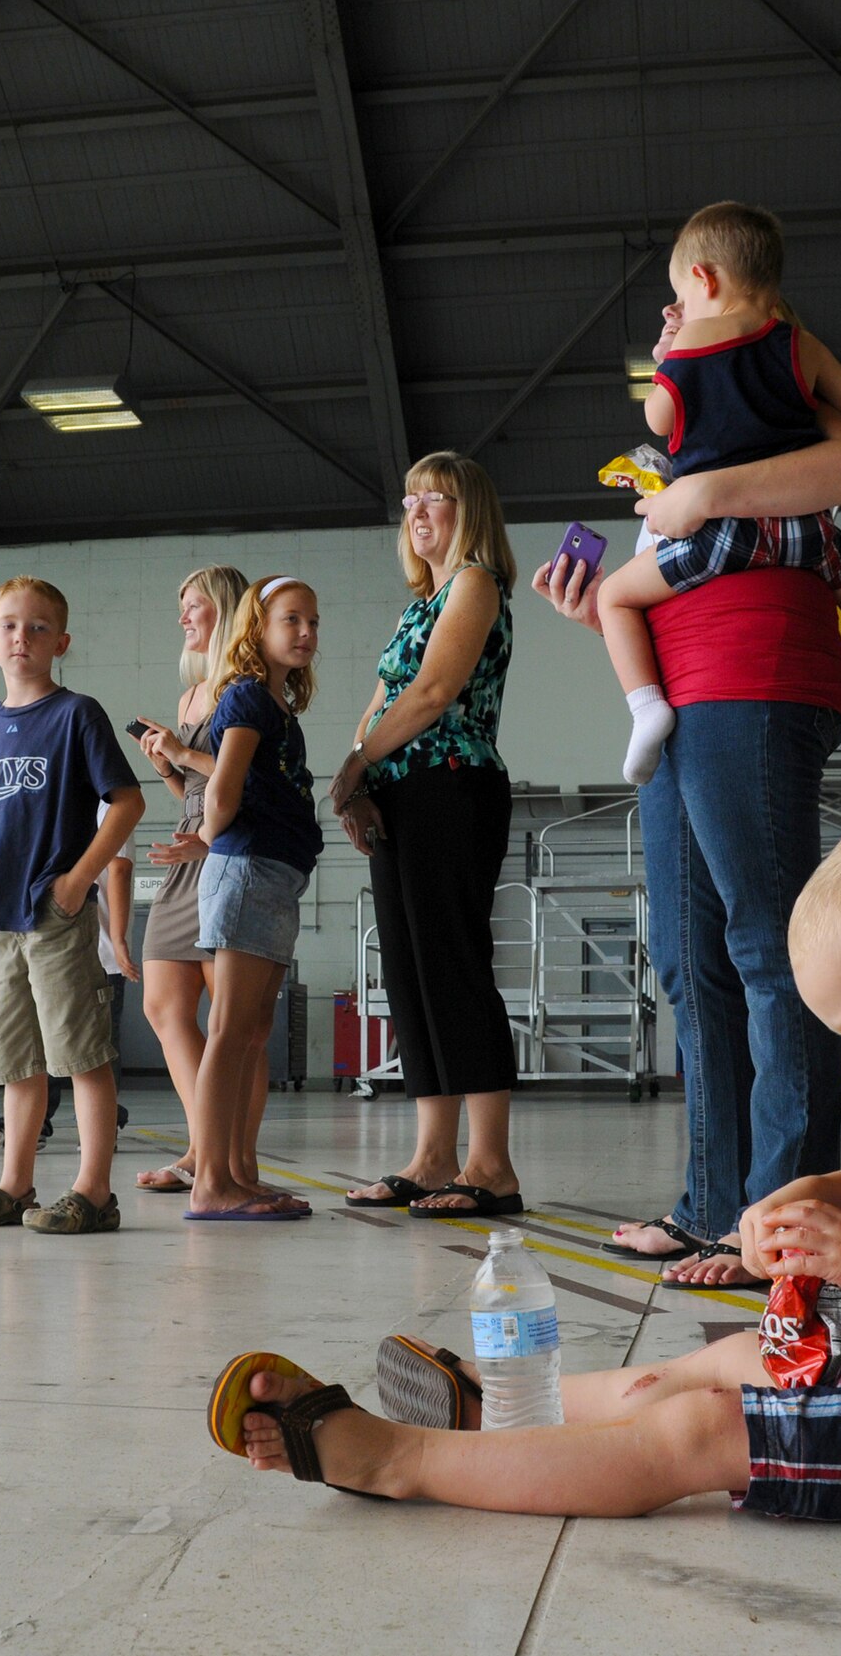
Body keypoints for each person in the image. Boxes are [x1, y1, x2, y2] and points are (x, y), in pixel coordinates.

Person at [211, 812, 841, 1526]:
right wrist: (804, 1200)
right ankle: (481, 1409)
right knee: (719, 1360)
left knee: (699, 1435)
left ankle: (401, 1459)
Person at [536, 396, 841, 1289]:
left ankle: (782, 1221)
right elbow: (660, 603)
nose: (665, 331)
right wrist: (602, 615)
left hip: (751, 685)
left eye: (675, 312)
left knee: (771, 951)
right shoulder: (680, 484)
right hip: (682, 704)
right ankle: (712, 1208)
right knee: (692, 961)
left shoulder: (773, 449)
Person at [596, 202, 841, 797]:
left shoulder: (688, 347)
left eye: (679, 298)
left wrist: (669, 364)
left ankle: (645, 712)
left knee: (614, 595)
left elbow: (660, 420)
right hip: (804, 532)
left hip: (721, 537)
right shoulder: (801, 344)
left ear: (705, 279)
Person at [335, 453, 523, 1218]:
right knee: (409, 973)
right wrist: (360, 785)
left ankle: (493, 1164)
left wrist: (357, 764)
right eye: (408, 498)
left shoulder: (476, 584)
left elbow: (433, 691)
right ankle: (433, 1152)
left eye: (433, 498)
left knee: (453, 964)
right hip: (402, 795)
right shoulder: (421, 602)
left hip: (453, 785)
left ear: (466, 509)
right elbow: (377, 705)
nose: (416, 510)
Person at [0, 578, 144, 1236]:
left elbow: (126, 802)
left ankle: (94, 1190)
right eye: (8, 625)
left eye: (36, 627)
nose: (21, 638)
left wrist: (78, 877)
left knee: (81, 1053)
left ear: (60, 641)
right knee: (15, 1059)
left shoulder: (76, 715)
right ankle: (15, 1181)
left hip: (56, 913)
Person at [174, 576, 323, 1222]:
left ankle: (237, 1171)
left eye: (314, 621)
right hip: (245, 870)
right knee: (231, 1027)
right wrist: (205, 838)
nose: (307, 632)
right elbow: (224, 784)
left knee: (254, 1026)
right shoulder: (243, 698)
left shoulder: (276, 707)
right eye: (291, 619)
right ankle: (211, 1181)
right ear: (256, 628)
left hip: (275, 873)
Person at [128, 564, 254, 1193]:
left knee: (232, 1019)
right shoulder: (191, 697)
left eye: (194, 605)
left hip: (228, 854)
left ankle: (225, 1156)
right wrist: (168, 768)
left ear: (225, 610)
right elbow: (199, 789)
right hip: (189, 849)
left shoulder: (248, 687)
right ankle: (204, 1143)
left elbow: (248, 784)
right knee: (162, 1004)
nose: (183, 617)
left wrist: (181, 753)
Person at [0, 803, 136, 1147]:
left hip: (95, 942)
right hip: (50, 937)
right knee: (46, 1040)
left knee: (93, 1048)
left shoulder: (105, 802)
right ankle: (37, 1121)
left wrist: (118, 939)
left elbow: (119, 868)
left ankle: (103, 1127)